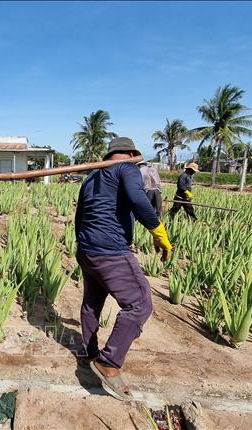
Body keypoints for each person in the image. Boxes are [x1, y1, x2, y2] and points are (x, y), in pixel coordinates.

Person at [74, 137, 172, 401]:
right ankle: (109, 361)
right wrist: (158, 231)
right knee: (140, 304)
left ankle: (90, 353)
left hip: (87, 248)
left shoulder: (92, 178)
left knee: (92, 304)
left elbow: (80, 215)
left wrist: (81, 248)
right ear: (131, 153)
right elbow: (139, 201)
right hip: (111, 250)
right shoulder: (126, 168)